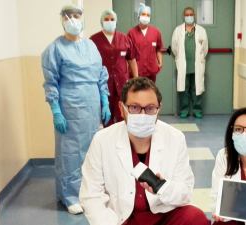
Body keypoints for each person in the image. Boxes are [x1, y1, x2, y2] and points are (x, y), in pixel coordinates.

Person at [79, 77, 209, 225]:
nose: (142, 115)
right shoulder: (102, 140)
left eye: (150, 108)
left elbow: (184, 192)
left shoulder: (175, 138)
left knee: (195, 217)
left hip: (163, 216)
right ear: (122, 109)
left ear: (158, 109)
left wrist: (163, 187)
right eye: (134, 107)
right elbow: (91, 196)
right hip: (122, 220)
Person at [41, 4, 111, 214]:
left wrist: (105, 101)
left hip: (92, 106)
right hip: (69, 108)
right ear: (62, 20)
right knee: (70, 153)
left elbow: (100, 76)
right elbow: (51, 82)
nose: (73, 19)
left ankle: (92, 193)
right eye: (68, 16)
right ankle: (69, 195)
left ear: (83, 18)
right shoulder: (54, 49)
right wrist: (56, 110)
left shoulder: (91, 46)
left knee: (92, 151)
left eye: (77, 15)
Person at [90, 9, 138, 126]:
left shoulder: (124, 38)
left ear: (116, 22)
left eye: (112, 19)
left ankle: (123, 141)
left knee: (123, 116)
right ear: (101, 22)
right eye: (106, 19)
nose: (109, 21)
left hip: (122, 84)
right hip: (103, 86)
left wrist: (136, 79)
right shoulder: (93, 40)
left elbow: (131, 59)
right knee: (107, 118)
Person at [171, 6, 208, 119]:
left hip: (197, 65)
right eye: (187, 15)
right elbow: (174, 47)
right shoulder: (178, 30)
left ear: (194, 16)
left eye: (191, 14)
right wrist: (179, 58)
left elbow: (205, 49)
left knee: (196, 89)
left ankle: (197, 110)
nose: (189, 17)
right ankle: (184, 110)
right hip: (183, 65)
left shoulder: (201, 30)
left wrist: (200, 58)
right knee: (184, 89)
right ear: (184, 16)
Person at [127, 3, 164, 83]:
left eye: (148, 15)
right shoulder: (131, 33)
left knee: (150, 93)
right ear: (139, 15)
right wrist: (135, 75)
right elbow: (129, 55)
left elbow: (159, 48)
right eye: (143, 14)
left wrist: (160, 61)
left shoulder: (156, 32)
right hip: (136, 73)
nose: (145, 17)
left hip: (151, 71)